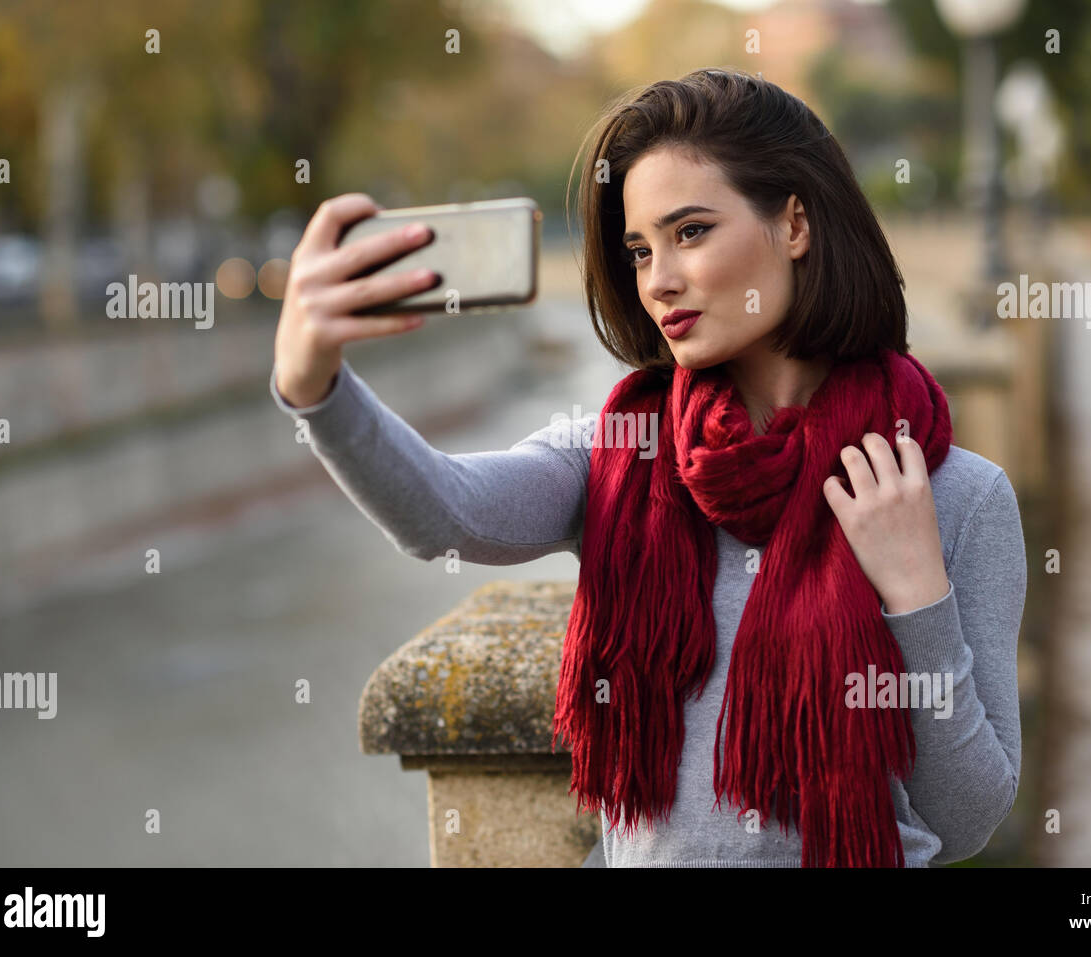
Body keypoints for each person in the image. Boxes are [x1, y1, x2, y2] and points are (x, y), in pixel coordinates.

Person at [271, 67, 1026, 868]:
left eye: (691, 231)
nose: (658, 279)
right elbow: (441, 514)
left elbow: (969, 815)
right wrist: (314, 385)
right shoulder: (619, 454)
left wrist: (917, 597)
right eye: (639, 248)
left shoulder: (956, 494)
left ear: (795, 224)